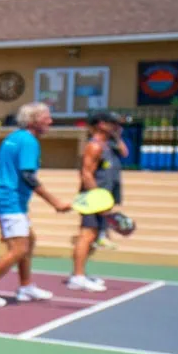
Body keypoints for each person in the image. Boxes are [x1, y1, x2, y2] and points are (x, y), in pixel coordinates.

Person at [0, 103, 71, 307]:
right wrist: (55, 202)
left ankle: (25, 287)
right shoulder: (29, 141)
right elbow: (28, 176)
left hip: (4, 196)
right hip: (10, 199)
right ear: (33, 121)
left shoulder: (12, 138)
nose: (50, 121)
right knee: (19, 249)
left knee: (28, 240)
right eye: (46, 117)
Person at [70, 111, 126, 293]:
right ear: (101, 124)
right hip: (93, 197)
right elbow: (86, 173)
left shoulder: (109, 144)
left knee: (94, 237)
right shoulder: (94, 146)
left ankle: (80, 274)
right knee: (87, 235)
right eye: (112, 123)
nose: (116, 126)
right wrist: (98, 200)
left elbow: (125, 153)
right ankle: (77, 277)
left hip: (105, 195)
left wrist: (117, 136)